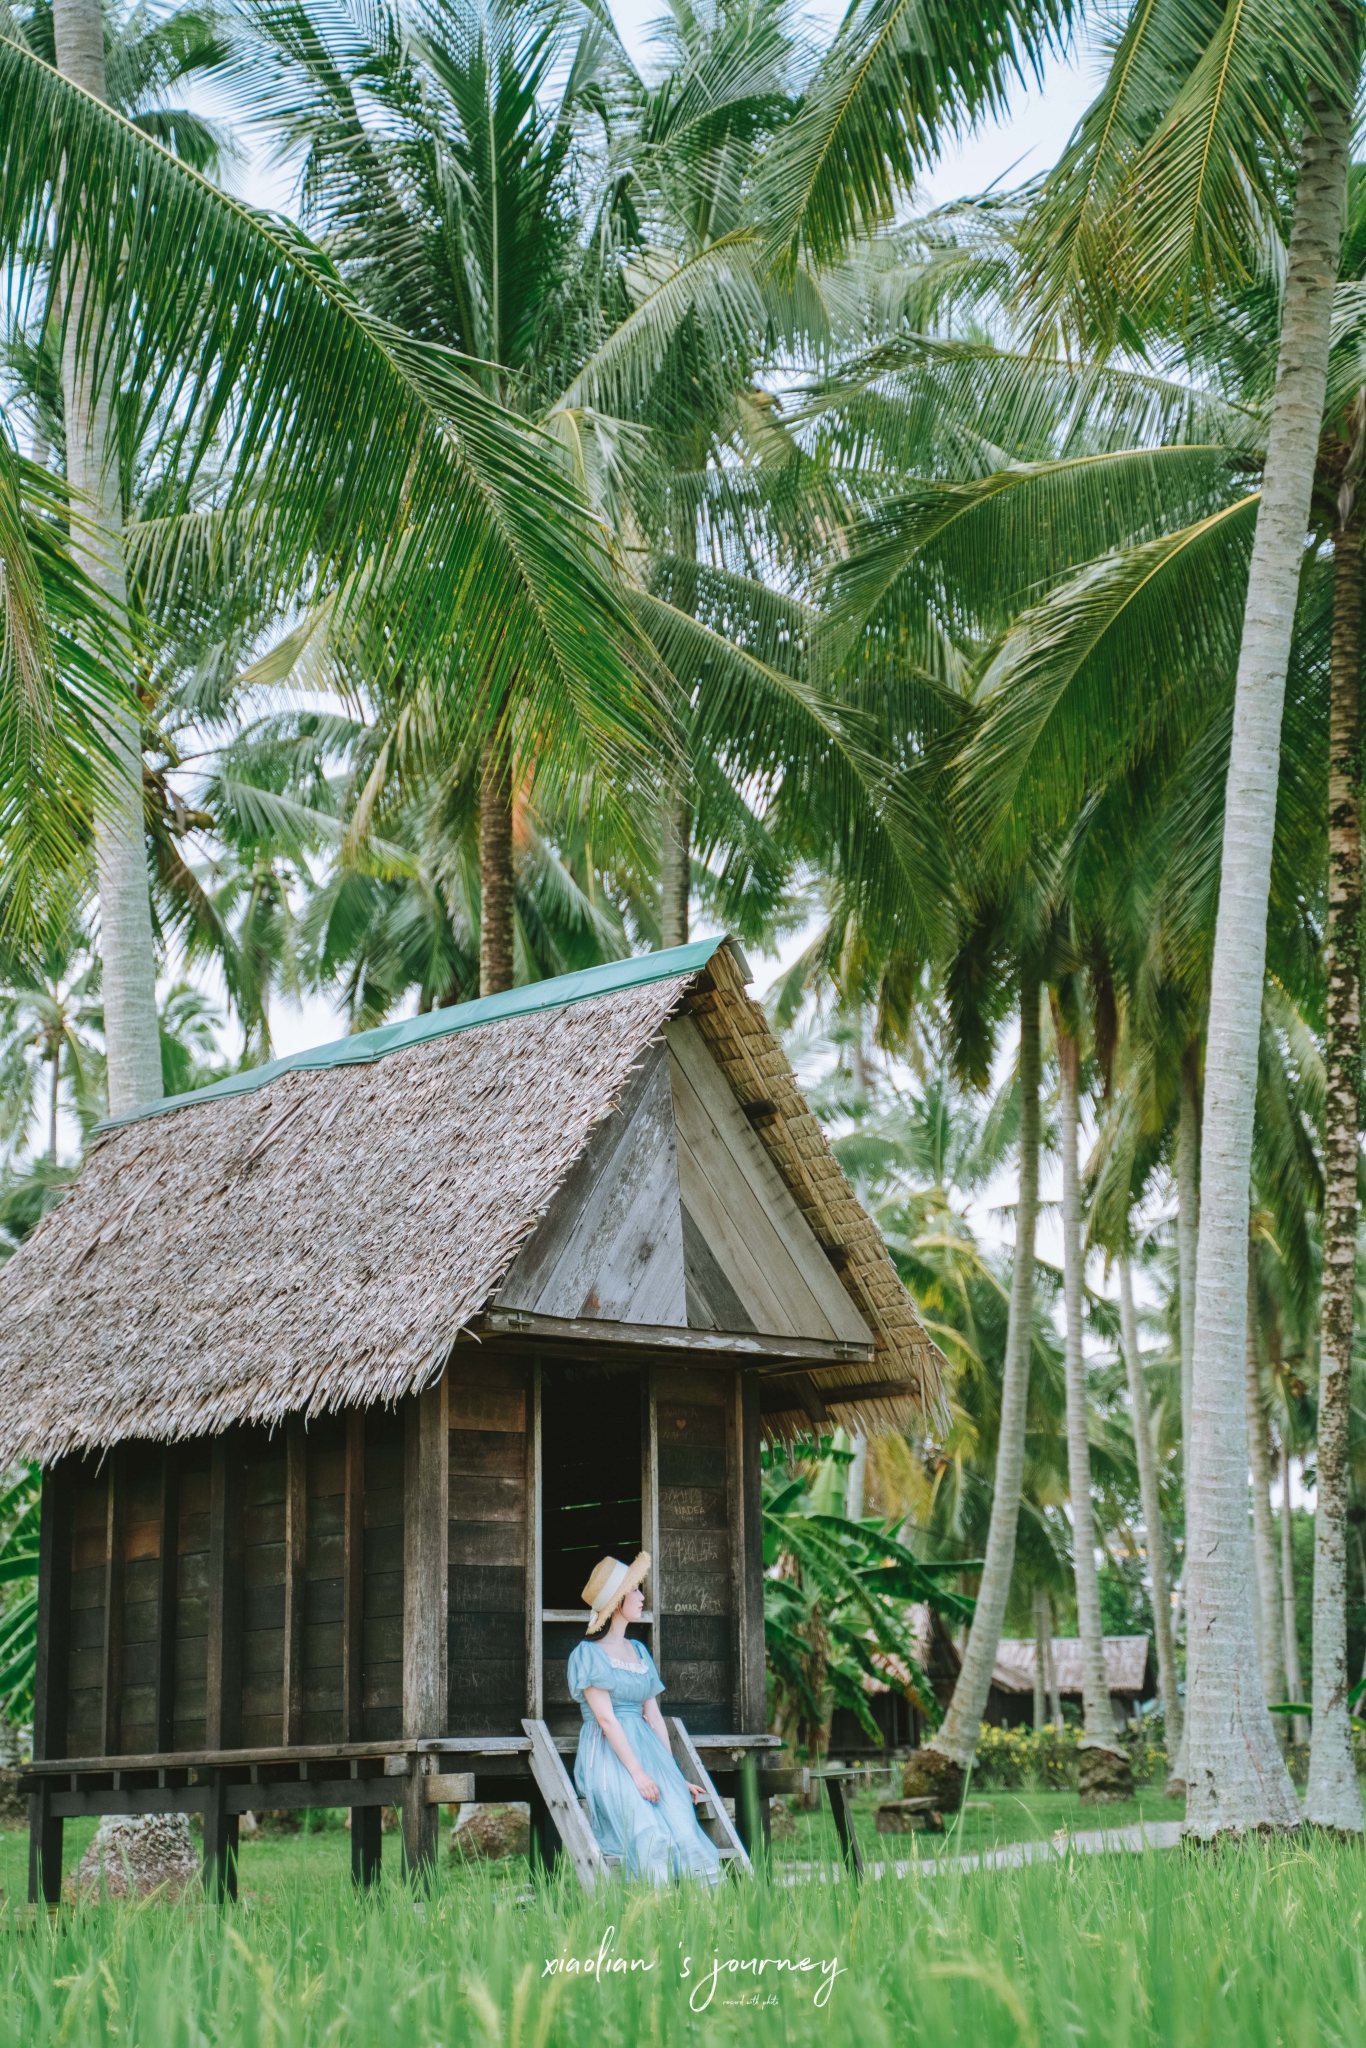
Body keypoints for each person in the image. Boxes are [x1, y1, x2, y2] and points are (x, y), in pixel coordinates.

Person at [566, 1552, 722, 1885]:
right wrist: (638, 1774)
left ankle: (701, 1918)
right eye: (635, 1590)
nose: (641, 1596)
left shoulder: (639, 1651)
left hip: (647, 1750)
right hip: (610, 1757)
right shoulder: (587, 1654)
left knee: (684, 1828)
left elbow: (653, 1715)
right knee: (649, 1831)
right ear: (617, 1602)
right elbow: (607, 1721)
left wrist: (671, 1774)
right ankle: (653, 1914)